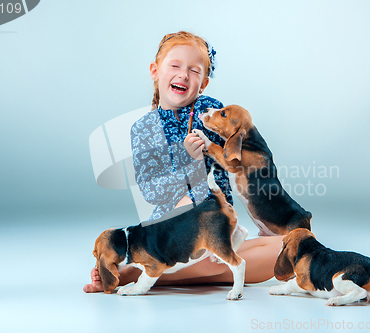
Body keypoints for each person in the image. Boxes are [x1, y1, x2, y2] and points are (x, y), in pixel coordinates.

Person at [84, 31, 283, 293]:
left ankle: (144, 271)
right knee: (208, 241)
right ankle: (147, 269)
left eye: (194, 70)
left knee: (289, 247)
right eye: (175, 66)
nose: (184, 75)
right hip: (170, 229)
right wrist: (187, 160)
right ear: (155, 71)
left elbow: (233, 160)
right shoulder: (144, 128)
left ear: (204, 83)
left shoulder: (209, 111)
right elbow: (151, 192)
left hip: (217, 219)